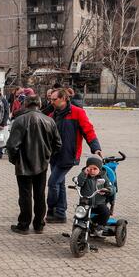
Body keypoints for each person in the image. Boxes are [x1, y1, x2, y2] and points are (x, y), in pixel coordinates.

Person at [6, 95, 62, 234]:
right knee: (39, 194)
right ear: (40, 104)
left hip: (24, 163)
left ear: (25, 104)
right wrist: (47, 155)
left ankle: (24, 224)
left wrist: (15, 160)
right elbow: (58, 144)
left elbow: (12, 146)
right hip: (41, 163)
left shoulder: (20, 120)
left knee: (25, 195)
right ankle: (39, 224)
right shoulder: (49, 120)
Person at [47, 88, 102, 223]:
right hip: (53, 155)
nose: (51, 102)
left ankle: (51, 210)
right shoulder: (52, 115)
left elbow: (88, 131)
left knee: (53, 183)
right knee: (59, 183)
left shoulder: (77, 113)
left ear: (64, 99)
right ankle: (60, 214)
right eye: (51, 99)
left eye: (55, 99)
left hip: (68, 155)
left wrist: (96, 148)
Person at [76, 155, 115, 230]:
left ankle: (100, 226)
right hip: (86, 203)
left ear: (99, 170)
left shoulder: (103, 177)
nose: (92, 171)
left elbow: (111, 188)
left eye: (95, 169)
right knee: (79, 213)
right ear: (87, 168)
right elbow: (79, 183)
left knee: (106, 212)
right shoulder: (84, 176)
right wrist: (84, 173)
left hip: (99, 204)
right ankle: (77, 228)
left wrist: (107, 190)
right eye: (90, 169)